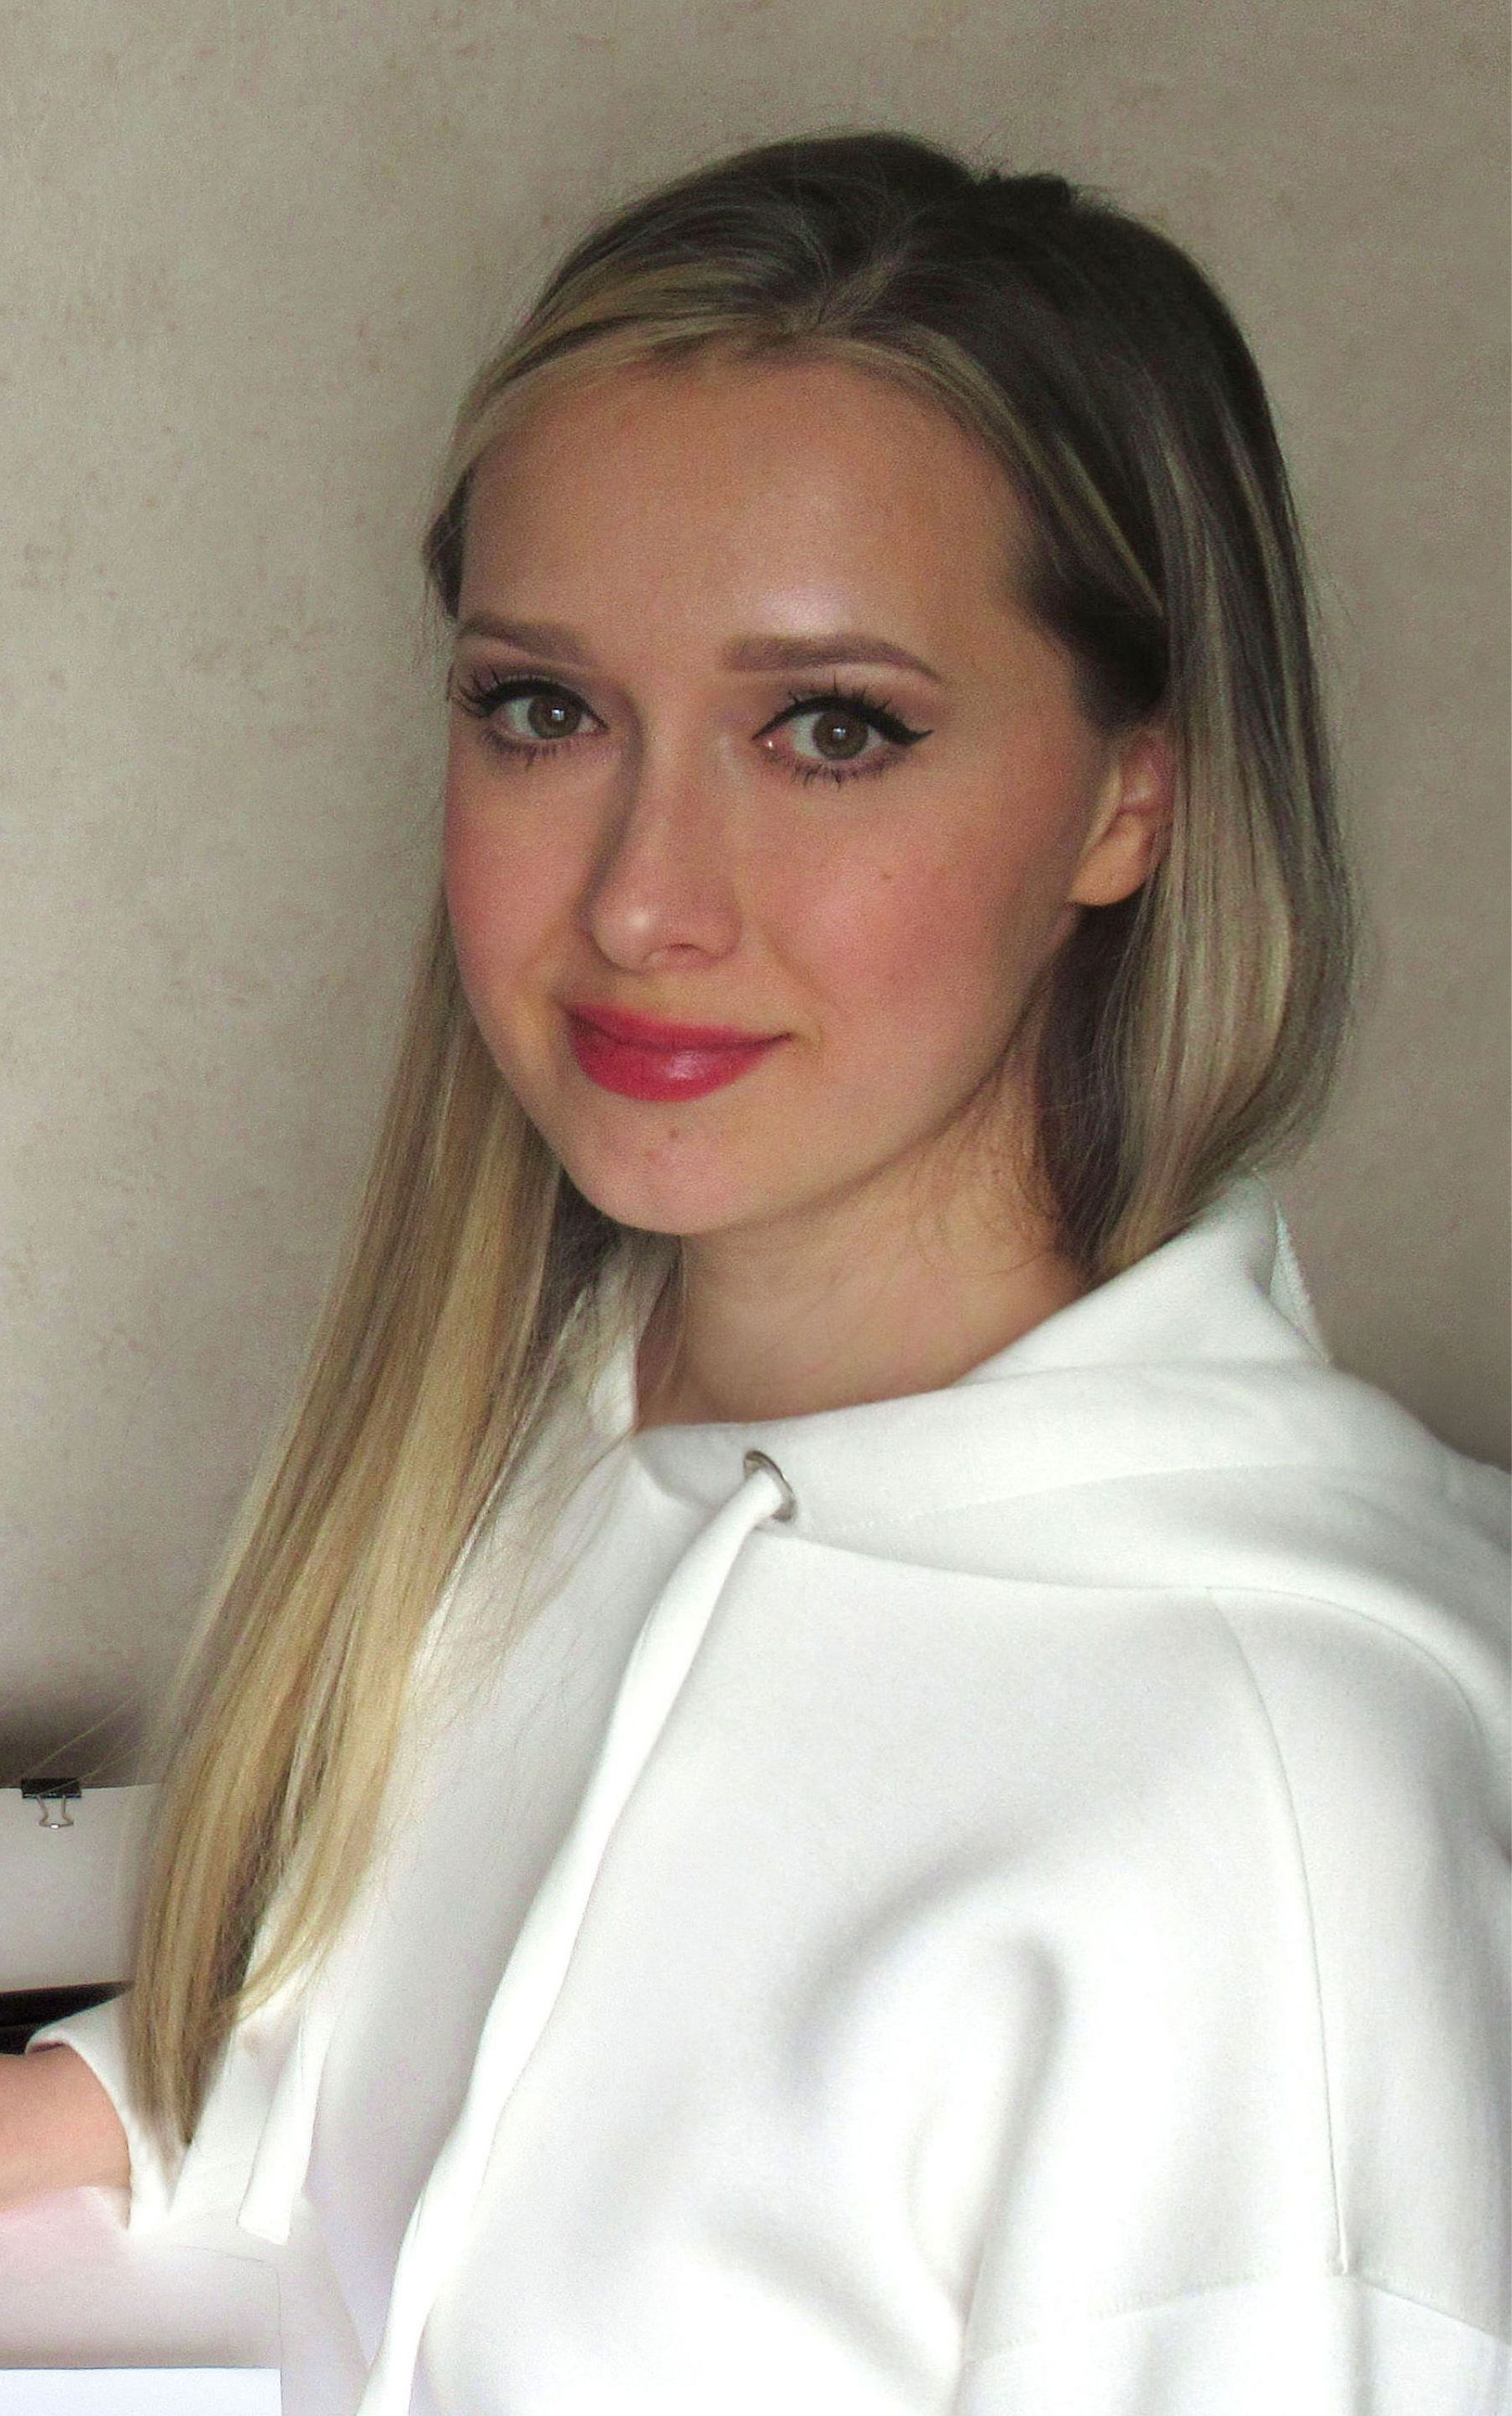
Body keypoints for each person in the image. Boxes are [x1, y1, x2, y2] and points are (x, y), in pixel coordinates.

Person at [2, 131, 1506, 2414]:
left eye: (833, 729)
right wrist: (105, 2109)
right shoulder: (572, 1432)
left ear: (1133, 797)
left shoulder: (1269, 1807)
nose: (639, 899)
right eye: (544, 708)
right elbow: (419, 2091)